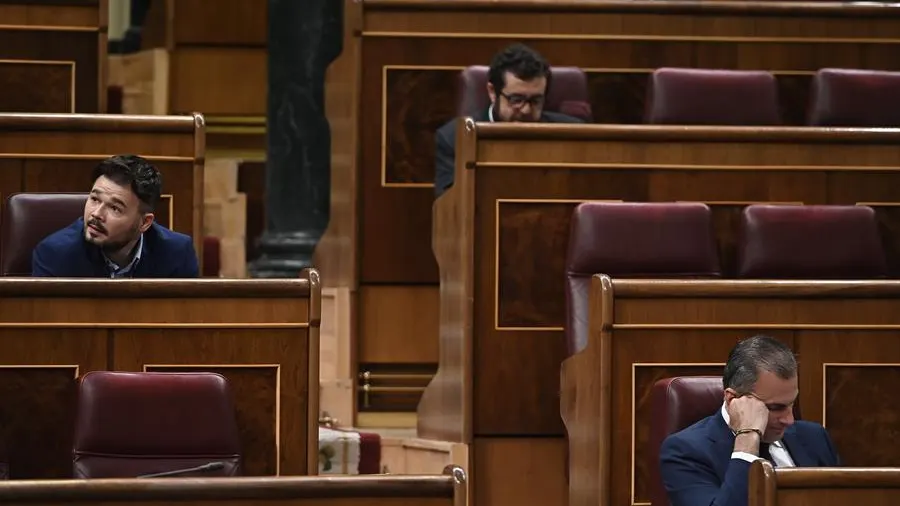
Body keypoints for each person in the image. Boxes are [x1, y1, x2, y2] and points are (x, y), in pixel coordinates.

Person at [659, 335, 840, 506]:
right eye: (774, 408)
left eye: (791, 404)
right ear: (732, 400)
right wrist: (747, 439)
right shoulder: (685, 452)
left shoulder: (815, 437)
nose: (790, 420)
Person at [433, 43, 583, 198]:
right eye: (516, 99)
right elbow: (450, 205)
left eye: (535, 100)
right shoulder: (453, 139)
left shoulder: (573, 134)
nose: (525, 110)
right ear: (492, 92)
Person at [32, 154, 199, 278]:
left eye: (114, 208)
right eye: (95, 199)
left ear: (145, 223)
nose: (96, 214)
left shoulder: (177, 253)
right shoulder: (55, 255)